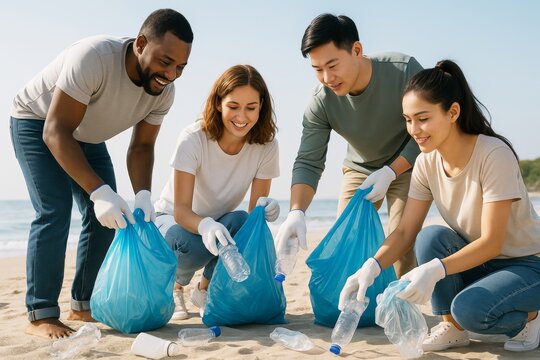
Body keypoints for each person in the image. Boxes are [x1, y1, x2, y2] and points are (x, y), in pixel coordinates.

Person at [9, 9, 193, 339]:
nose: (171, 74)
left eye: (180, 67)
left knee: (109, 218)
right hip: (38, 123)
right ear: (140, 44)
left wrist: (142, 194)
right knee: (54, 209)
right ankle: (40, 314)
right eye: (165, 61)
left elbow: (141, 147)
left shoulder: (164, 91)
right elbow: (55, 132)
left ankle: (82, 304)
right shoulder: (93, 57)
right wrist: (99, 192)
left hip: (86, 135)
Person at [339, 60, 540, 352]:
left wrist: (435, 270)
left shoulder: (493, 154)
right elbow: (406, 231)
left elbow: (493, 242)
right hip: (483, 264)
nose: (414, 129)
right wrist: (370, 266)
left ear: (453, 112)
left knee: (472, 311)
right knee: (430, 237)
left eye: (422, 118)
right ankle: (452, 327)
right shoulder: (426, 163)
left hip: (527, 265)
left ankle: (531, 316)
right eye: (408, 120)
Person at [275, 13, 422, 278]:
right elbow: (309, 161)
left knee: (402, 241)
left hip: (409, 163)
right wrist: (296, 211)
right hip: (360, 170)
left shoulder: (404, 70)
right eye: (317, 69)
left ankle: (399, 307)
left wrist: (391, 172)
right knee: (347, 243)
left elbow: (428, 132)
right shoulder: (320, 102)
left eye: (333, 65)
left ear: (357, 50)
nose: (327, 78)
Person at [153, 64, 280, 320]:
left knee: (243, 224)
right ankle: (176, 287)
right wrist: (206, 225)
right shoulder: (194, 138)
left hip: (219, 225)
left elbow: (253, 216)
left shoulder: (266, 145)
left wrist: (266, 209)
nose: (242, 116)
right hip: (174, 223)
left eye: (251, 108)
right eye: (233, 106)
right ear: (219, 102)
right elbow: (180, 211)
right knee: (187, 243)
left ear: (261, 106)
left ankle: (204, 289)